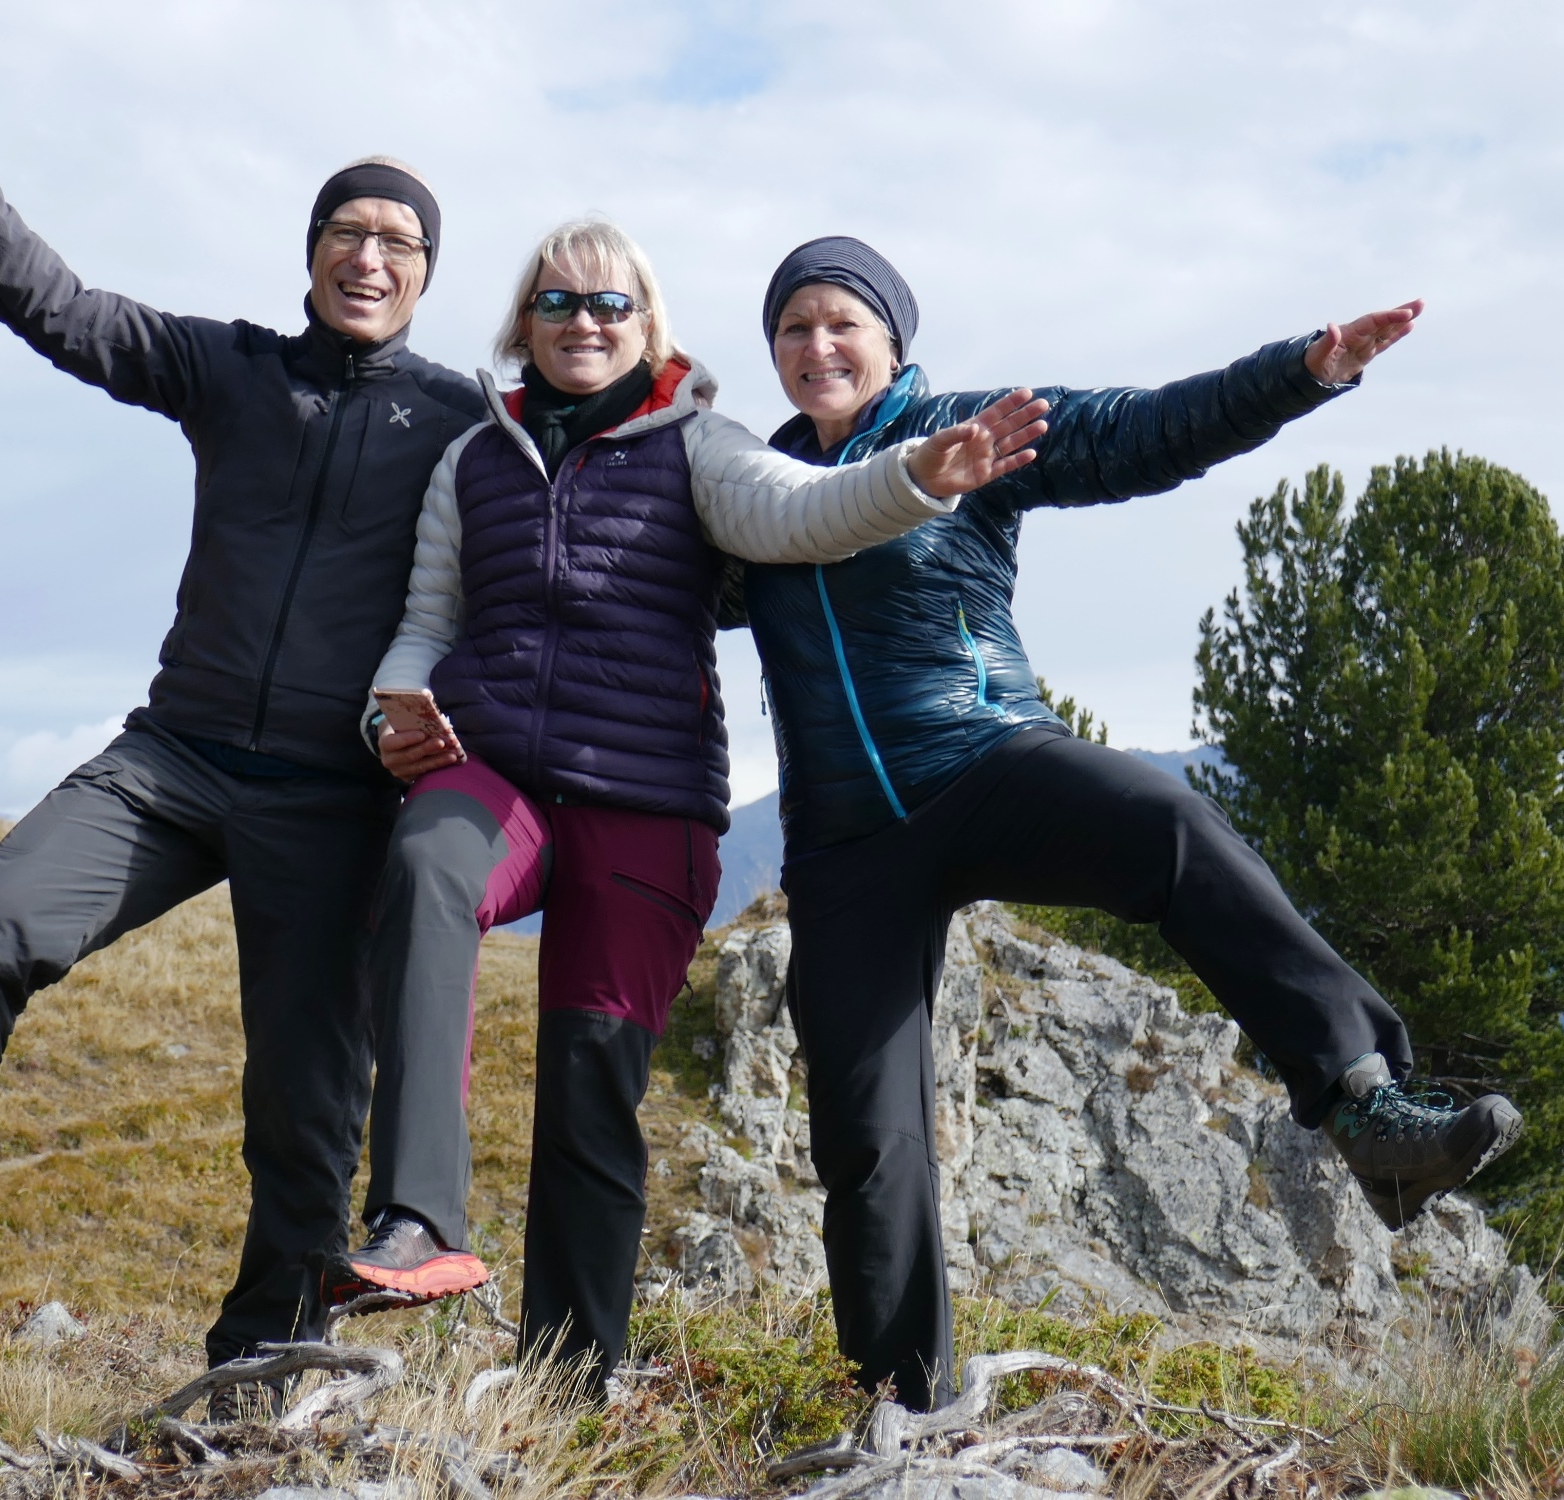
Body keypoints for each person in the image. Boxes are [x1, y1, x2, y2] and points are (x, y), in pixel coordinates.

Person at [0, 9, 489, 1376]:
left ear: (427, 274)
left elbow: (572, 528)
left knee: (304, 1110)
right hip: (176, 760)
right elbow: (57, 307)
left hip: (329, 799)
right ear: (311, 251)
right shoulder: (231, 369)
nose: (369, 256)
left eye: (398, 242)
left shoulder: (457, 421)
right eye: (347, 232)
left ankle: (262, 1364)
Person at [745, 236, 1524, 1411]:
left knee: (1165, 820)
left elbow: (1143, 432)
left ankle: (1366, 1102)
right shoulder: (758, 491)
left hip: (983, 756)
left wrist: (1300, 372)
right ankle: (898, 1410)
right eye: (793, 329)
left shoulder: (973, 426)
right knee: (867, 1137)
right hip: (847, 838)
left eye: (840, 322)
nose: (817, 346)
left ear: (893, 341)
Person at [319, 220, 1050, 1388]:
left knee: (589, 1089)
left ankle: (570, 1381)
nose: (585, 324)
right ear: (524, 327)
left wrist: (916, 476)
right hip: (492, 772)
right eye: (557, 305)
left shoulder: (699, 447)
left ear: (648, 326)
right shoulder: (474, 460)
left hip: (647, 806)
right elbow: (426, 618)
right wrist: (387, 713)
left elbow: (801, 512)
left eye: (611, 305)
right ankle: (419, 1219)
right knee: (425, 871)